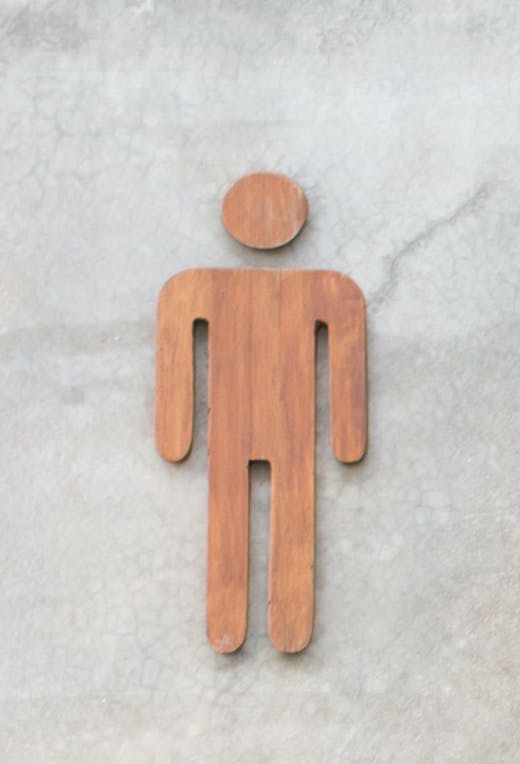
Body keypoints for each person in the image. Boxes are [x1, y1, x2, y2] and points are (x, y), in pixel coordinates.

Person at [155, 173, 367, 653]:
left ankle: (254, 625)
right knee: (275, 513)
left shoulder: (194, 286)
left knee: (250, 514)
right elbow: (348, 361)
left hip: (258, 429)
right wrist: (346, 438)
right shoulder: (331, 287)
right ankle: (252, 625)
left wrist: (174, 433)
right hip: (276, 429)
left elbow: (174, 359)